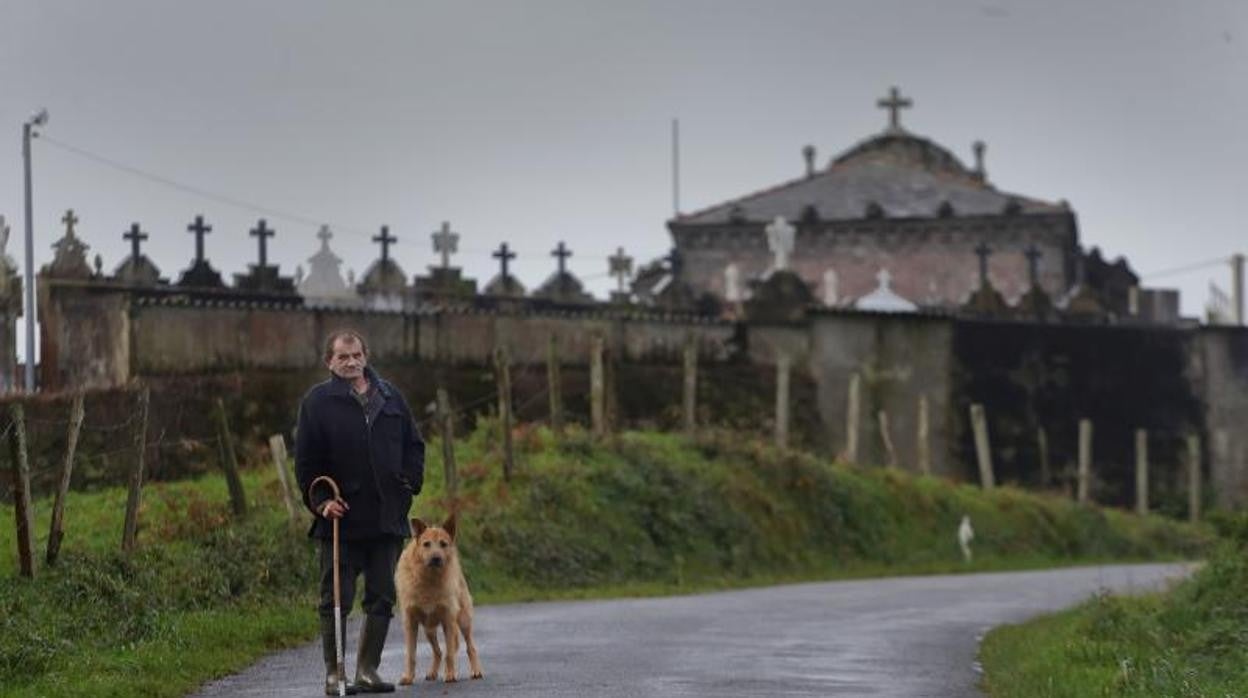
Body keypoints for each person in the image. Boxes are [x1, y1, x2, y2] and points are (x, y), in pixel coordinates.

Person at [296, 329, 424, 695]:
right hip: (342, 518)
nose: (350, 362)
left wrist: (408, 486)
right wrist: (322, 502)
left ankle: (368, 670)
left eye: (356, 355)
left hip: (387, 516)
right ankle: (335, 675)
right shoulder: (317, 402)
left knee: (382, 595)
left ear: (365, 356)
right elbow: (307, 463)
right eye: (342, 357)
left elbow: (414, 446)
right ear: (329, 362)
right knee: (336, 598)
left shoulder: (391, 396)